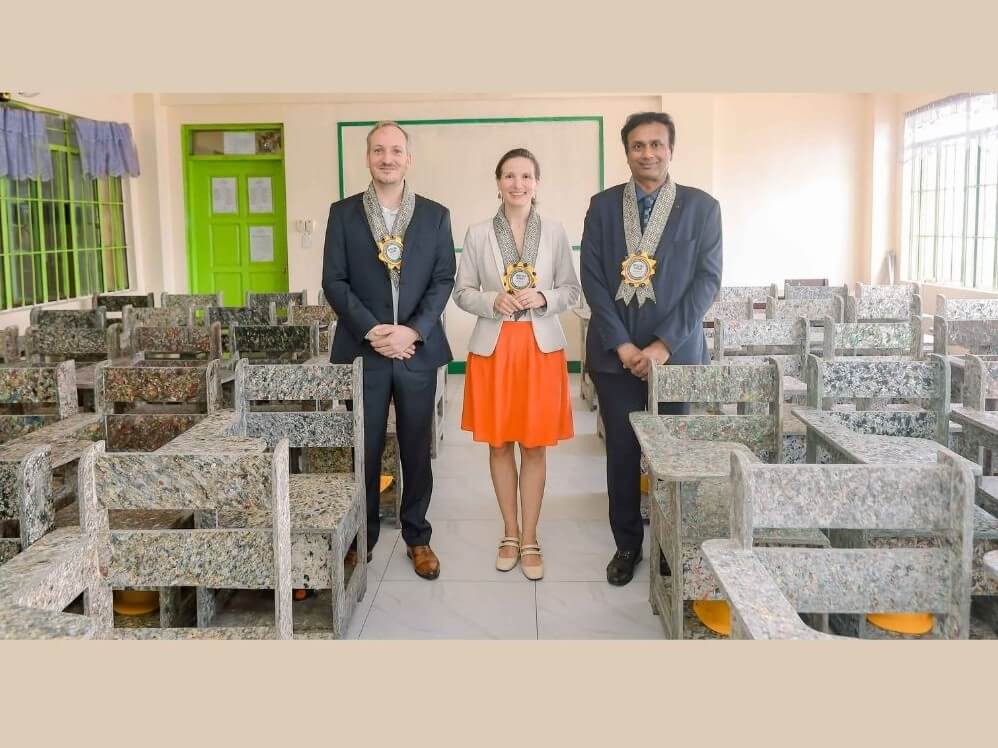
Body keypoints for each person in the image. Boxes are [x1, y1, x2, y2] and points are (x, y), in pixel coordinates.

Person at [580, 111, 723, 586]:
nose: (648, 153)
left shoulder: (702, 208)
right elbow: (593, 279)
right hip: (614, 356)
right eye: (638, 146)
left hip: (677, 356)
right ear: (626, 153)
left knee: (674, 455)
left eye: (656, 145)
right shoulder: (602, 207)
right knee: (621, 454)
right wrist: (622, 344)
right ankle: (627, 545)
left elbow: (707, 282)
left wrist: (662, 346)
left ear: (670, 149)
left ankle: (670, 541)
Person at [322, 120, 456, 580]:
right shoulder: (343, 214)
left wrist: (412, 331)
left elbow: (443, 281)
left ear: (408, 159)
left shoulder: (435, 215)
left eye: (395, 150)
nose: (387, 158)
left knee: (417, 448)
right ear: (367, 158)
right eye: (378, 150)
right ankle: (364, 535)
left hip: (416, 351)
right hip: (365, 350)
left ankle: (418, 536)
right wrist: (373, 329)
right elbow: (333, 281)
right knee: (365, 448)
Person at [453, 148, 580, 581]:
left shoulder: (556, 232)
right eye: (510, 175)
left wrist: (544, 297)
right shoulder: (477, 233)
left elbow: (571, 290)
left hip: (540, 347)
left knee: (534, 444)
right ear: (498, 182)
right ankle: (509, 532)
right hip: (494, 347)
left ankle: (531, 537)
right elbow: (462, 291)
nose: (518, 184)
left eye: (526, 176)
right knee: (499, 443)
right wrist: (493, 300)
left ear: (536, 183)